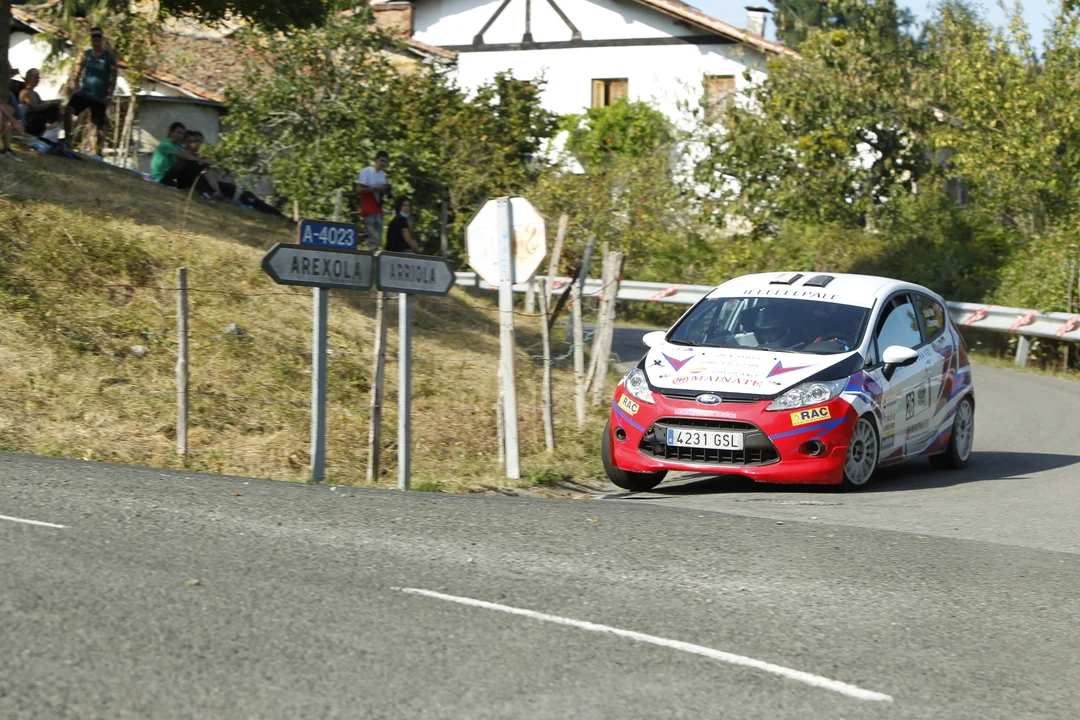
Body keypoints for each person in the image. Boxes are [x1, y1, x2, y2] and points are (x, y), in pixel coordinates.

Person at [183, 129, 288, 219]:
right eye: (193, 141)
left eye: (199, 142)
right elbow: (207, 174)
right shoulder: (191, 159)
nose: (196, 145)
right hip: (220, 191)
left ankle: (280, 216)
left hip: (227, 189)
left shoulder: (201, 158)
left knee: (251, 198)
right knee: (251, 200)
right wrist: (218, 192)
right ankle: (280, 217)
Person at [63, 27, 117, 157]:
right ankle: (67, 139)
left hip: (100, 96)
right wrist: (75, 85)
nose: (96, 39)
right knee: (68, 110)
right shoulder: (85, 54)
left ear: (102, 38)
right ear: (91, 39)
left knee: (100, 124)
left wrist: (110, 95)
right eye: (94, 36)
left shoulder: (108, 56)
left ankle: (98, 152)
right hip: (85, 92)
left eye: (99, 36)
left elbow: (114, 76)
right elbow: (77, 70)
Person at [151, 121, 222, 196]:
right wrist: (201, 160)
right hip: (162, 178)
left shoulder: (177, 146)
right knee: (191, 163)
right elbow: (184, 156)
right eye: (178, 132)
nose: (180, 135)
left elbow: (190, 154)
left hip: (172, 176)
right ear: (170, 132)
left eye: (182, 134)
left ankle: (217, 192)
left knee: (202, 166)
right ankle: (193, 189)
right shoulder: (165, 144)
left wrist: (205, 159)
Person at [356, 150, 390, 250]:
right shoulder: (366, 172)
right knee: (373, 238)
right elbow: (358, 190)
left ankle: (374, 254)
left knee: (378, 239)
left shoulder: (383, 174)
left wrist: (385, 190)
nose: (383, 164)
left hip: (378, 208)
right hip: (368, 207)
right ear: (376, 159)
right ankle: (371, 256)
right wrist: (376, 188)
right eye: (381, 160)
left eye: (385, 162)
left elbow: (382, 191)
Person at [19, 69, 62, 137]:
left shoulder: (35, 93)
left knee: (55, 107)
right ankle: (47, 127)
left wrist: (55, 102)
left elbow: (41, 104)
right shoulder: (25, 92)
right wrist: (51, 103)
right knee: (53, 107)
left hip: (35, 116)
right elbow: (36, 107)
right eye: (36, 77)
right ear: (29, 78)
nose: (38, 80)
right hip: (28, 118)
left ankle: (50, 128)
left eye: (38, 77)